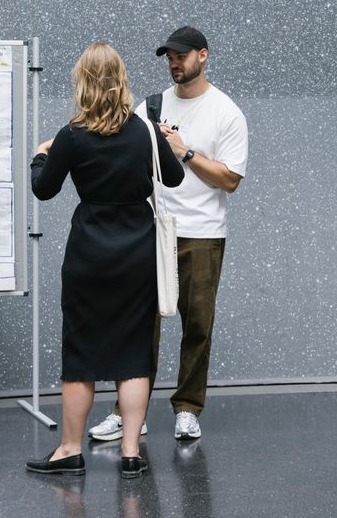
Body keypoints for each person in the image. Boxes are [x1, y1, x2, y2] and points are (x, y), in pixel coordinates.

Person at [26, 42, 184, 479]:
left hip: (89, 254)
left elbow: (44, 189)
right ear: (122, 81)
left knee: (82, 353)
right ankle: (131, 452)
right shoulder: (145, 131)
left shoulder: (72, 135)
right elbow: (173, 176)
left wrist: (41, 155)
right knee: (134, 352)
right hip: (137, 253)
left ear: (84, 83)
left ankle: (70, 450)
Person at [87, 26, 248, 442]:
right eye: (169, 57)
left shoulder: (225, 112)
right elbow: (127, 156)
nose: (174, 63)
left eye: (182, 55)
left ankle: (188, 409)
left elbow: (230, 179)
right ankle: (126, 414)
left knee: (197, 325)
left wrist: (186, 152)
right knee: (139, 325)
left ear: (203, 56)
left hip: (202, 234)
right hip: (152, 229)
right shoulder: (151, 106)